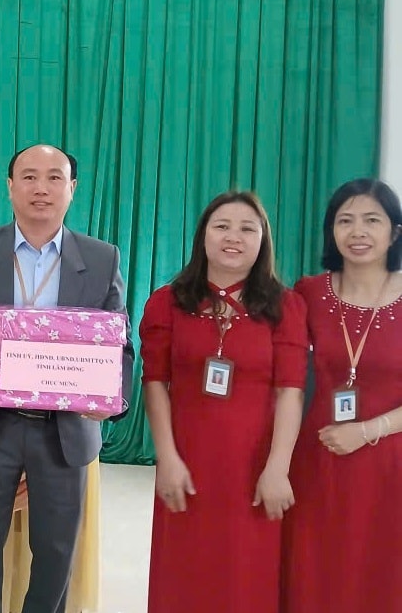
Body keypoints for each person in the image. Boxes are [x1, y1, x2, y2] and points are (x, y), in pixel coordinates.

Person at [0, 144, 133, 613]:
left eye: (54, 178)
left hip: (65, 431)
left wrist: (112, 399)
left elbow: (118, 342)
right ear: (10, 186)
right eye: (30, 176)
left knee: (56, 554)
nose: (42, 188)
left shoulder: (101, 258)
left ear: (72, 189)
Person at [139, 191, 306, 613]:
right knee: (183, 573)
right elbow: (155, 382)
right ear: (203, 236)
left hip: (253, 467)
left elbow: (291, 391)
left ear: (263, 241)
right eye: (222, 226)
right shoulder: (168, 302)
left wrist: (278, 468)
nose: (234, 237)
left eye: (247, 229)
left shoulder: (286, 307)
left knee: (245, 576)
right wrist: (167, 458)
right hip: (187, 461)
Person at [283, 178, 402, 612]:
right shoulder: (309, 293)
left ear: (395, 232)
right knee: (316, 572)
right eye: (345, 220)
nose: (358, 232)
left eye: (372, 220)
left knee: (380, 574)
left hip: (390, 462)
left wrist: (368, 430)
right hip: (320, 457)